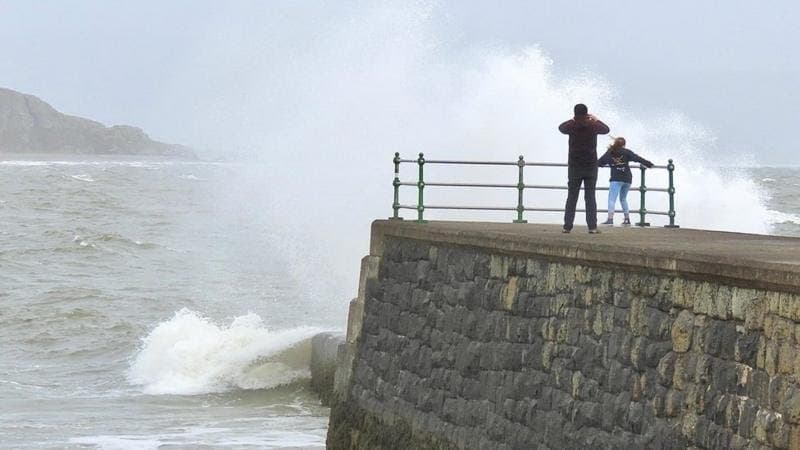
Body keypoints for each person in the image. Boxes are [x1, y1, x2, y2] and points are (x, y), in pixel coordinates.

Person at [558, 103, 610, 234]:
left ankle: (567, 226)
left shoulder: (571, 125)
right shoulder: (593, 125)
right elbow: (606, 129)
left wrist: (573, 119)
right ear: (587, 114)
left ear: (575, 114)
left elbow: (561, 127)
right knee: (590, 197)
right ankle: (592, 227)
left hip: (575, 166)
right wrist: (596, 119)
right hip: (591, 166)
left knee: (572, 196)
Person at [598, 137, 654, 226]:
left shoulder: (610, 152)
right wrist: (649, 164)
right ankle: (627, 219)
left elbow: (600, 162)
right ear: (624, 144)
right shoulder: (626, 152)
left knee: (612, 199)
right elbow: (637, 158)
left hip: (616, 178)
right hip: (627, 178)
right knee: (623, 199)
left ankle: (610, 219)